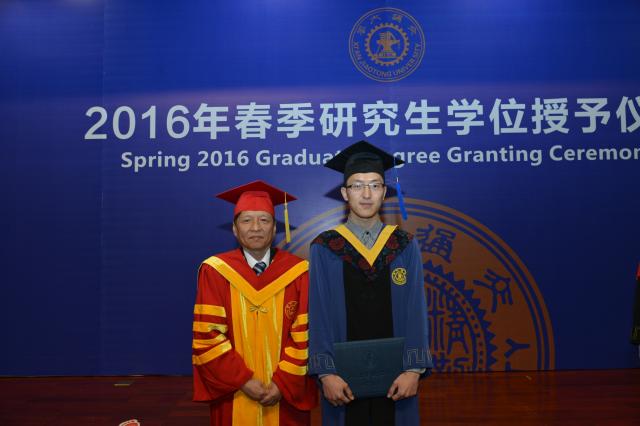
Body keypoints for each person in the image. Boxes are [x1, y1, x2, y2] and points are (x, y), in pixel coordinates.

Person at [308, 141, 433, 426]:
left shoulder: (404, 245)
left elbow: (416, 310)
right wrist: (326, 373)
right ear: (345, 193)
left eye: (375, 185)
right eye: (357, 186)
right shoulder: (325, 247)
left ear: (384, 192)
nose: (366, 194)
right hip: (341, 381)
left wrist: (413, 369)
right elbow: (319, 315)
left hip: (398, 378)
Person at [192, 180, 317, 426]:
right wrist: (243, 380)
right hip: (234, 391)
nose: (256, 228)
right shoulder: (215, 271)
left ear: (274, 228)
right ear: (235, 229)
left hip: (285, 392)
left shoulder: (298, 272)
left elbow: (306, 334)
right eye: (247, 220)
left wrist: (282, 383)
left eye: (264, 220)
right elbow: (207, 335)